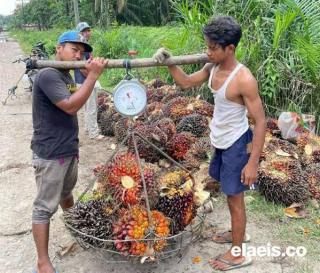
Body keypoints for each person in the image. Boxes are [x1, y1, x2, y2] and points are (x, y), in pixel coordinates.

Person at [153, 16, 266, 271]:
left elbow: (260, 122)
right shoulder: (211, 67)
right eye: (207, 46)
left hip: (237, 144)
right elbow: (185, 82)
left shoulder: (244, 79)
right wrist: (169, 61)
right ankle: (237, 234)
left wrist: (252, 163)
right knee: (229, 193)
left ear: (230, 49)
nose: (208, 51)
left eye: (213, 47)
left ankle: (238, 253)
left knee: (235, 199)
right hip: (221, 141)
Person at [31, 30, 107, 273]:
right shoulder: (48, 75)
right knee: (44, 207)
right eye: (74, 49)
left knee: (67, 194)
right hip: (51, 153)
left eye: (82, 52)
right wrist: (93, 77)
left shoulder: (65, 75)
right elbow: (71, 106)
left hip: (68, 149)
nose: (78, 54)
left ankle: (76, 229)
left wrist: (85, 75)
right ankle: (43, 262)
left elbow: (76, 95)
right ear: (58, 49)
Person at [75, 22, 104, 139]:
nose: (87, 33)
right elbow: (82, 66)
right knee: (91, 107)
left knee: (87, 107)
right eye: (85, 31)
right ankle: (94, 133)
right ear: (80, 33)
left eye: (88, 30)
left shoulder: (85, 45)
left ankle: (88, 128)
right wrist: (92, 77)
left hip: (82, 80)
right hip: (84, 80)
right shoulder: (81, 47)